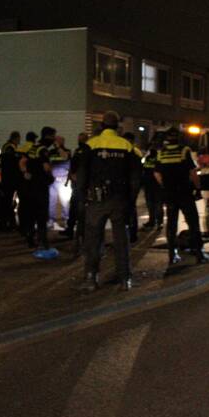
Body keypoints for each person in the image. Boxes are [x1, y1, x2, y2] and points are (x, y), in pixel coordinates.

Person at [74, 112, 141, 290]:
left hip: (96, 200)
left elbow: (81, 175)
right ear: (117, 127)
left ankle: (91, 278)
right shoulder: (127, 146)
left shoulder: (91, 144)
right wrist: (131, 201)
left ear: (102, 125)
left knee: (93, 241)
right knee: (121, 240)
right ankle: (125, 279)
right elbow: (135, 178)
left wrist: (81, 199)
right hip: (119, 200)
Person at [155, 127, 209, 266]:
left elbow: (157, 174)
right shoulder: (184, 151)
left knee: (171, 225)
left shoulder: (161, 153)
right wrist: (198, 189)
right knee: (193, 223)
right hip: (184, 193)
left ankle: (172, 255)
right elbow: (192, 172)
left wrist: (165, 186)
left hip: (170, 194)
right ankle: (199, 253)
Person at [19, 126, 58, 257]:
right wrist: (51, 177)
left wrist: (25, 173)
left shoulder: (33, 147)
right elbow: (46, 167)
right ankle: (43, 242)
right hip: (40, 187)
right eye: (53, 136)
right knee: (41, 216)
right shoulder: (43, 150)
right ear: (48, 136)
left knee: (31, 213)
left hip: (29, 187)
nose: (54, 139)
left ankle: (30, 238)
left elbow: (22, 162)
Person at [62, 132, 90, 244]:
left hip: (81, 183)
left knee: (80, 208)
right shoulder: (78, 150)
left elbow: (82, 167)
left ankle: (79, 232)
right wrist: (69, 177)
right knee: (74, 206)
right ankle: (70, 229)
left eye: (81, 138)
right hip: (76, 183)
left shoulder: (86, 151)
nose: (79, 140)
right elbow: (72, 165)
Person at [15, 131, 38, 242]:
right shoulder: (33, 148)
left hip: (19, 181)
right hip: (28, 181)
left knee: (22, 205)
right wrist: (26, 172)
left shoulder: (20, 148)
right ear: (34, 139)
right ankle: (29, 229)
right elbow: (24, 162)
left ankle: (22, 227)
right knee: (29, 206)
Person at [0, 131, 21, 231]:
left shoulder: (7, 146)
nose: (19, 141)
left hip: (7, 177)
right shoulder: (10, 147)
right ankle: (6, 224)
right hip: (9, 178)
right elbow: (12, 162)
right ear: (15, 138)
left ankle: (9, 223)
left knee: (8, 201)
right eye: (19, 138)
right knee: (7, 201)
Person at [48, 134, 71, 230]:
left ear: (62, 142)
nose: (55, 143)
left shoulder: (67, 151)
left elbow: (65, 157)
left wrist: (58, 148)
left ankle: (66, 220)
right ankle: (50, 220)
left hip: (63, 181)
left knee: (65, 202)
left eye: (57, 141)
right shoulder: (50, 152)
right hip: (52, 181)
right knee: (51, 202)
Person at [140, 135, 164, 231]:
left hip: (155, 185)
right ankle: (153, 221)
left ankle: (158, 222)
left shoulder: (157, 158)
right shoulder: (149, 158)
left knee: (156, 204)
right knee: (152, 204)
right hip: (150, 185)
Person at [123, 131, 143, 243]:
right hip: (133, 183)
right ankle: (131, 233)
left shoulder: (133, 151)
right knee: (130, 208)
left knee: (130, 208)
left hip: (131, 183)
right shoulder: (136, 151)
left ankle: (132, 234)